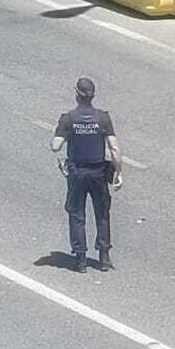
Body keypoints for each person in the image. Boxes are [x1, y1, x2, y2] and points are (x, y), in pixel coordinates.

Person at [52, 76, 121, 272]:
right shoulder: (103, 118)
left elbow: (55, 146)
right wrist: (119, 172)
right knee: (102, 213)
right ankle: (104, 257)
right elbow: (114, 148)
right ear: (92, 96)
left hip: (77, 173)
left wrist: (63, 133)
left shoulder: (68, 119)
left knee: (76, 214)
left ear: (77, 95)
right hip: (99, 172)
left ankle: (81, 259)